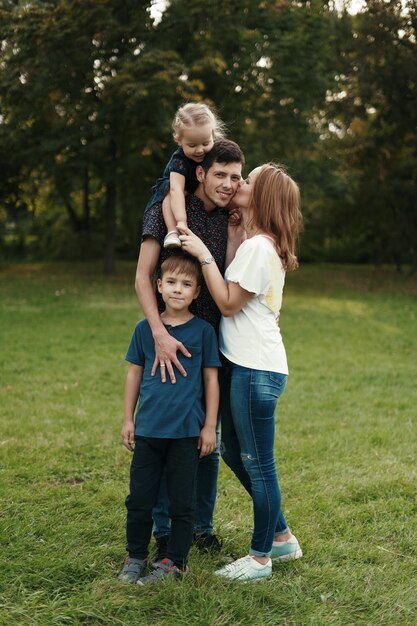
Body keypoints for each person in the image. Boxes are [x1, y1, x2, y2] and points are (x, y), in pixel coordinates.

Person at [180, 163, 303, 581]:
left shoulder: (260, 248)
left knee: (258, 463)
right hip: (249, 365)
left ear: (263, 196)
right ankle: (282, 536)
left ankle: (260, 558)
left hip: (257, 371)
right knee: (235, 452)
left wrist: (201, 254)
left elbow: (229, 302)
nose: (239, 184)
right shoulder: (256, 244)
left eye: (247, 180)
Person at [135, 139, 245, 560]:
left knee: (206, 440)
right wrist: (159, 334)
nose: (228, 184)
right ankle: (164, 529)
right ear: (201, 172)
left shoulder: (232, 216)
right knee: (167, 436)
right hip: (171, 343)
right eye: (220, 174)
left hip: (213, 345)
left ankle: (200, 525)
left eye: (235, 177)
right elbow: (144, 277)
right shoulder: (165, 208)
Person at [119, 252, 221, 585]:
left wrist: (208, 427)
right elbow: (133, 376)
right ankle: (135, 556)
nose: (178, 290)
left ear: (197, 293)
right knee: (140, 499)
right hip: (148, 430)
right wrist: (128, 420)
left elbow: (210, 380)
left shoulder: (204, 332)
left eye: (187, 284)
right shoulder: (144, 329)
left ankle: (175, 561)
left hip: (185, 434)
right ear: (159, 286)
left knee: (182, 502)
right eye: (172, 282)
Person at [144, 102, 225, 249]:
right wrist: (181, 220)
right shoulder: (179, 160)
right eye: (192, 146)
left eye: (205, 143)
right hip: (175, 190)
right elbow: (176, 190)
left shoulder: (215, 153)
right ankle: (172, 232)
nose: (200, 150)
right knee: (169, 193)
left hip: (198, 198)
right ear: (179, 140)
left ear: (213, 135)